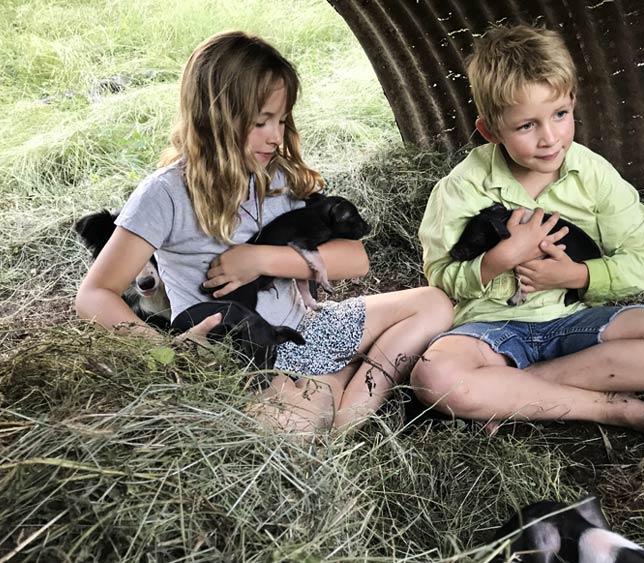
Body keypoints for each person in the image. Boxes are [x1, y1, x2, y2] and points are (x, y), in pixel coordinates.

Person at [76, 31, 453, 433]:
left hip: (307, 329)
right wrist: (168, 354)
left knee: (433, 303)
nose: (275, 135)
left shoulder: (278, 177)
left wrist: (259, 260)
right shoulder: (165, 194)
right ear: (214, 117)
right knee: (288, 427)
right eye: (261, 122)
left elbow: (355, 260)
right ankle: (344, 389)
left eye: (282, 120)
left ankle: (348, 410)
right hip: (243, 358)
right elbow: (94, 294)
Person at [411, 23, 644, 446]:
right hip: (491, 331)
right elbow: (439, 276)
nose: (549, 138)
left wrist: (574, 276)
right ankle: (609, 407)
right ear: (490, 131)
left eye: (560, 115)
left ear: (573, 103)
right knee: (432, 376)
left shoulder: (593, 175)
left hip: (578, 321)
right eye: (526, 126)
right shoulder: (461, 187)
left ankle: (511, 392)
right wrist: (499, 260)